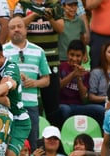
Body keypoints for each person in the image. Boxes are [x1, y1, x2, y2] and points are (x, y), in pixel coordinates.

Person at [14, 0, 65, 128]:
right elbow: (17, 25)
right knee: (26, 103)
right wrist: (35, 14)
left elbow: (60, 28)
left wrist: (50, 19)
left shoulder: (54, 4)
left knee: (52, 105)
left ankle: (55, 139)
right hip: (29, 62)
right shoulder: (23, 3)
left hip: (51, 59)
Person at [3, 16, 51, 151]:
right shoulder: (3, 51)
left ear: (26, 29)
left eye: (19, 26)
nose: (16, 30)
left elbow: (46, 80)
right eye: (12, 28)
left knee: (32, 144)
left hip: (31, 105)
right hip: (9, 104)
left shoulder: (38, 51)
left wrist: (34, 83)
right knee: (8, 143)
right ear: (8, 32)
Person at [59, 39, 104, 126]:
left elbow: (84, 98)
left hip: (79, 106)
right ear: (67, 53)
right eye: (72, 55)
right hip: (63, 104)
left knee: (100, 110)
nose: (74, 58)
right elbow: (58, 86)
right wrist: (73, 74)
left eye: (78, 56)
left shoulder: (86, 74)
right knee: (65, 110)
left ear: (83, 57)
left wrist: (79, 77)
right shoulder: (61, 67)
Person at [89, 41, 110, 107]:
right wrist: (109, 99)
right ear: (104, 54)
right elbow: (91, 96)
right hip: (102, 105)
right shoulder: (96, 72)